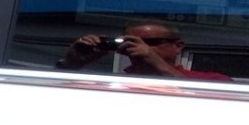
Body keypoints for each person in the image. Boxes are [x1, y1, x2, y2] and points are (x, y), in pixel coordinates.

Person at [56, 21, 231, 81]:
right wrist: (72, 64)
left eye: (150, 42)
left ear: (178, 46)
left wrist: (156, 63)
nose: (142, 47)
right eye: (130, 41)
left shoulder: (213, 81)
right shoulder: (110, 83)